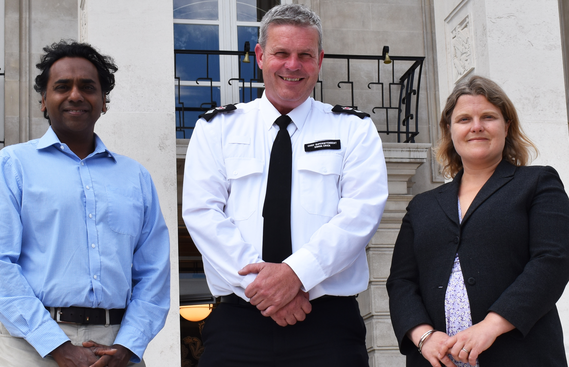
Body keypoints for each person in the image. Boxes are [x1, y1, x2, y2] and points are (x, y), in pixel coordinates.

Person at [182, 4, 387, 366]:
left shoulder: (353, 129)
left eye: (305, 55)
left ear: (319, 60)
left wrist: (296, 274)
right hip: (238, 322)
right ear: (260, 56)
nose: (293, 65)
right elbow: (203, 214)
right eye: (281, 53)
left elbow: (360, 213)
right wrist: (264, 289)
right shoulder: (217, 128)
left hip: (327, 325)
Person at [0, 40, 170, 367]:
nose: (75, 95)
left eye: (88, 87)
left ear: (103, 102)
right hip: (30, 347)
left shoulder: (136, 177)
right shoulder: (12, 166)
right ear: (43, 102)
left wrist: (129, 346)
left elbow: (153, 273)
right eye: (62, 86)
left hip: (116, 349)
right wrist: (57, 346)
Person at [387, 75, 569, 367]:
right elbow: (401, 282)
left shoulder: (538, 183)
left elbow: (552, 260)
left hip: (520, 355)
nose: (476, 127)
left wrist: (491, 326)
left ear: (506, 126)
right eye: (464, 119)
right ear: (449, 130)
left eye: (488, 117)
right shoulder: (422, 206)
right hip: (436, 360)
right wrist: (423, 336)